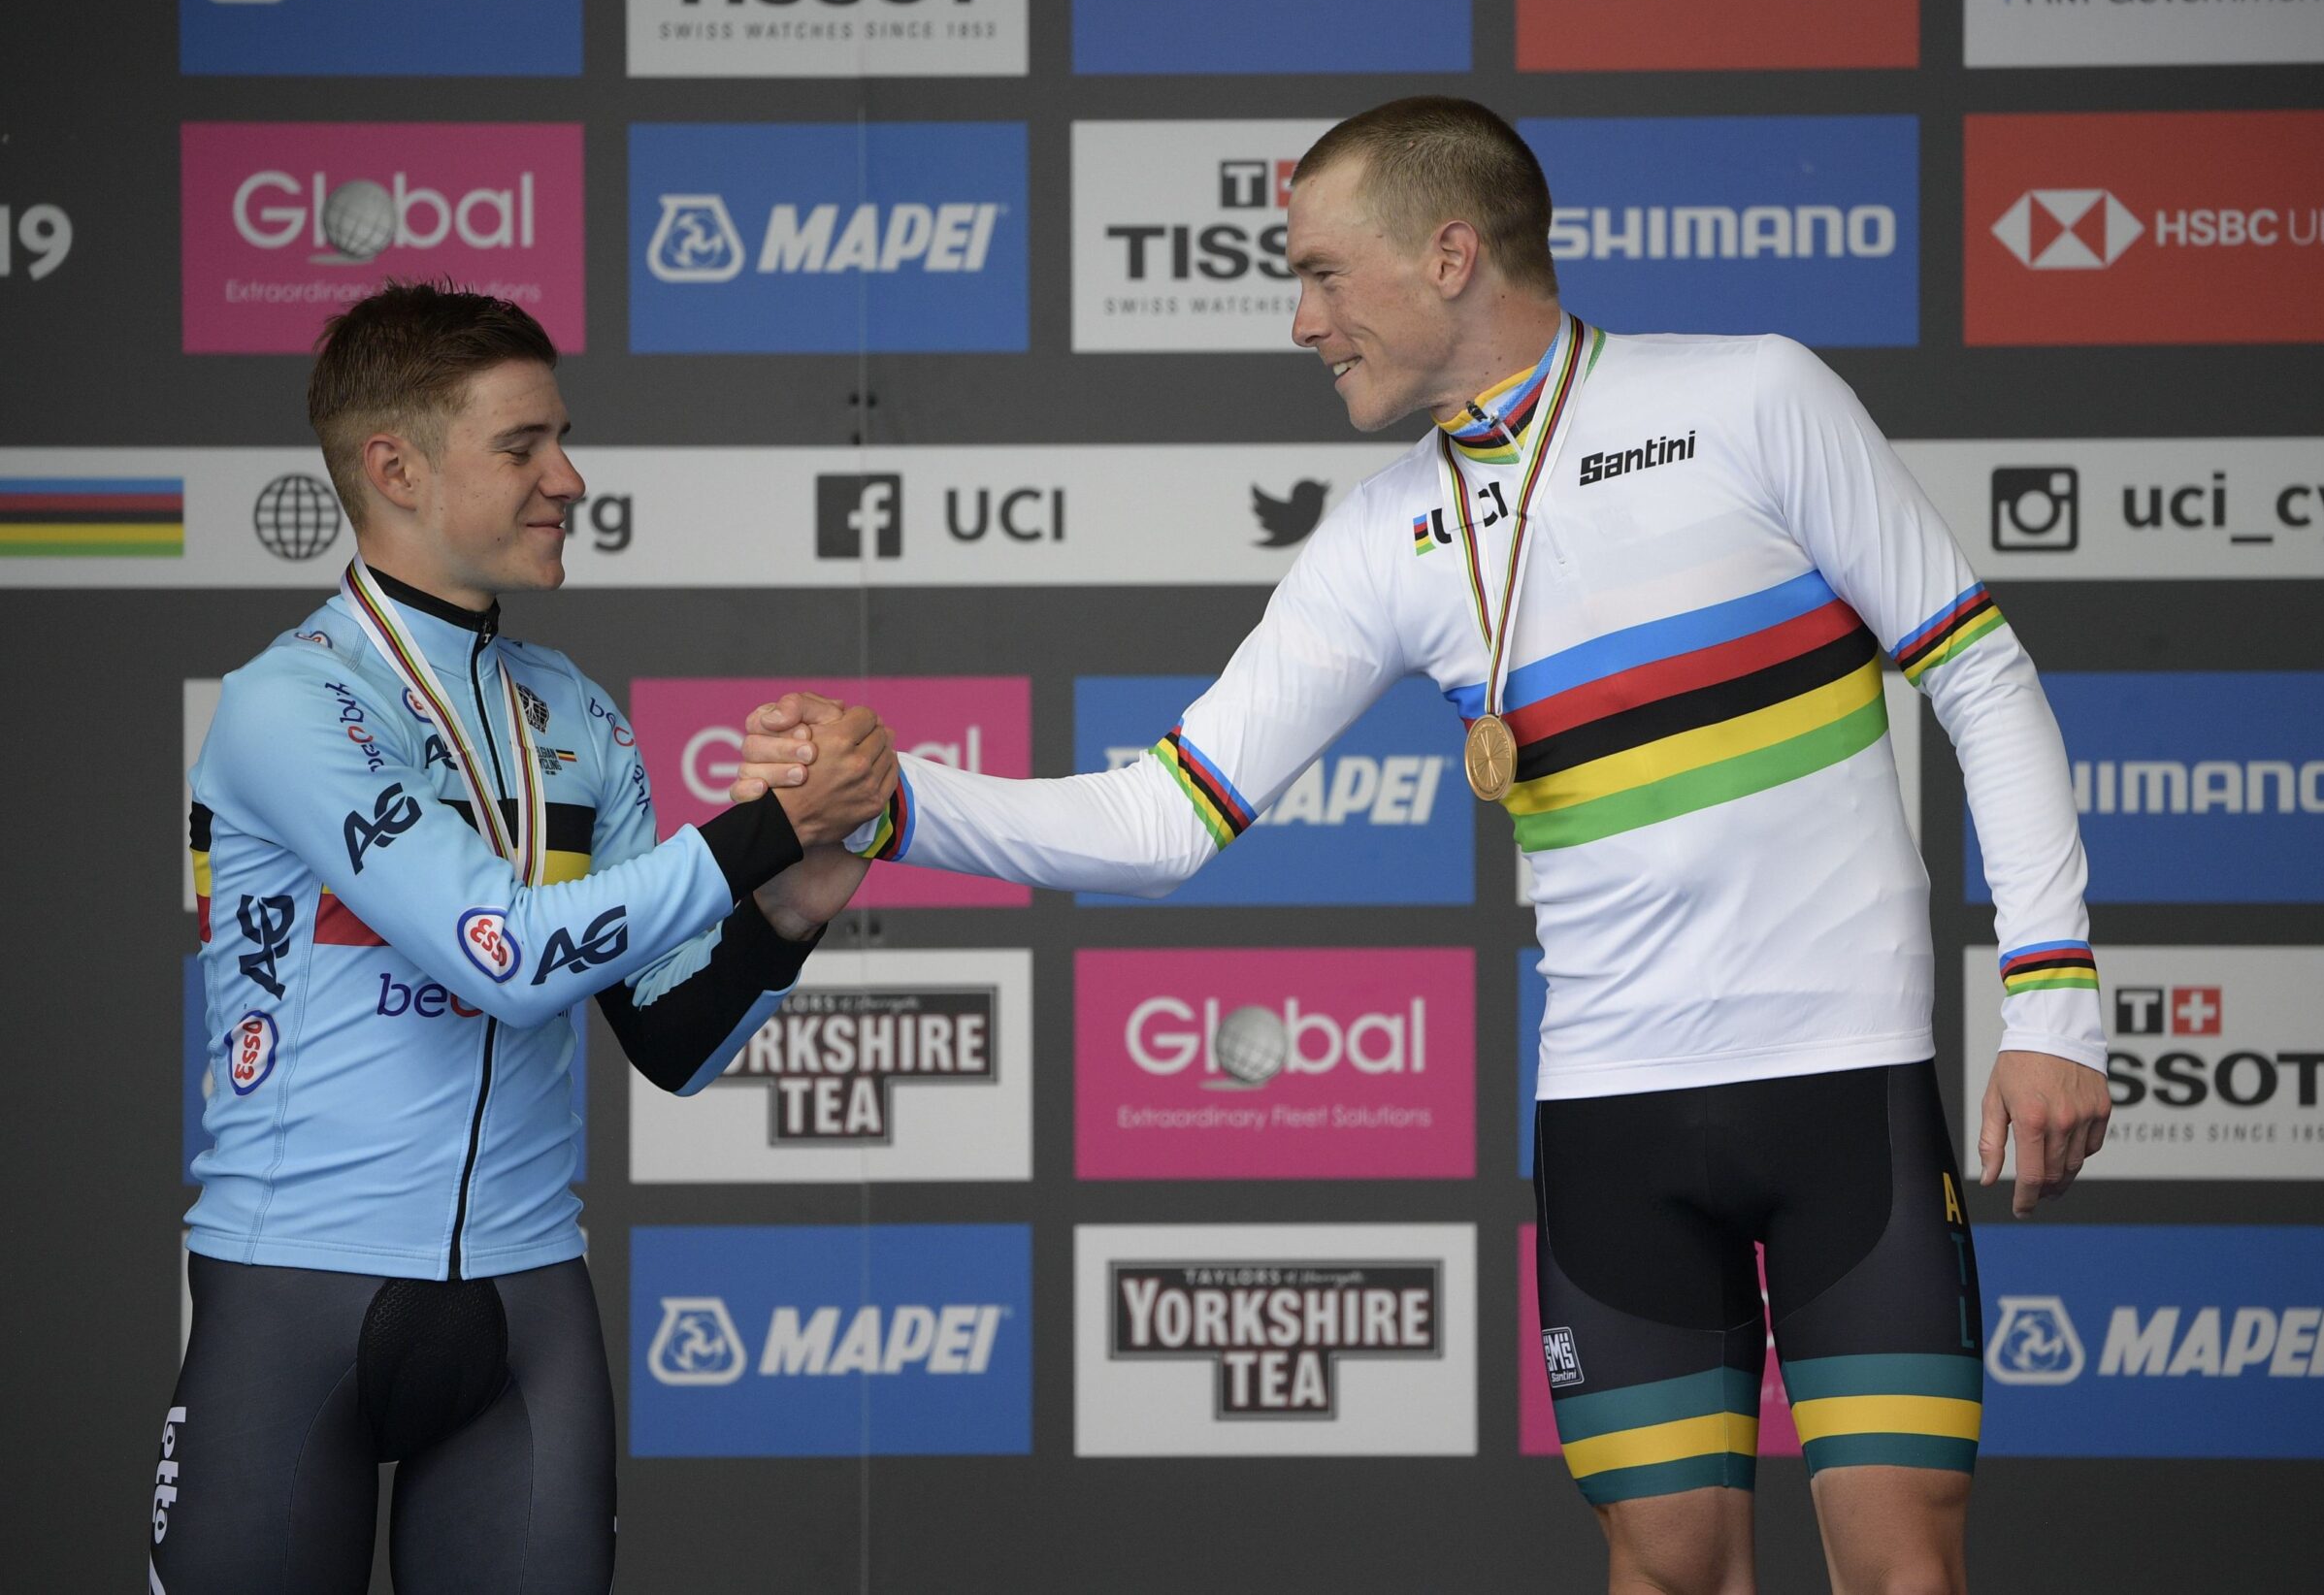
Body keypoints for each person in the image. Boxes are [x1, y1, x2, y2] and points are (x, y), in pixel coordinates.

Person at [739, 99, 2111, 1595]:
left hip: (1845, 1086)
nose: (1298, 319)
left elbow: (1978, 672)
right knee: (1666, 1574)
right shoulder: (1381, 542)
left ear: (1450, 254)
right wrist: (892, 801)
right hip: (1611, 1124)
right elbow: (1163, 818)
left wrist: (2052, 1003)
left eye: (1324, 274)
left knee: (1903, 1571)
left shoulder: (1753, 400)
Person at [154, 283, 889, 1594]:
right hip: (296, 1297)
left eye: (564, 439)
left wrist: (789, 906)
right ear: (397, 467)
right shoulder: (289, 705)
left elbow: (668, 1035)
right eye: (523, 447)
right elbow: (496, 949)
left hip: (526, 1303)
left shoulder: (576, 713)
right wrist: (765, 831)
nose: (571, 477)